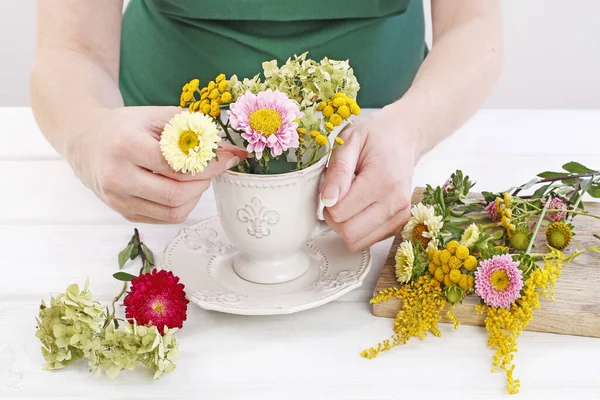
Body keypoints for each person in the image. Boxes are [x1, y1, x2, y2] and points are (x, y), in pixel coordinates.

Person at [31, 1, 502, 251]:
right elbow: (71, 47)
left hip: (387, 163)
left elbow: (473, 22)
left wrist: (410, 129)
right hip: (150, 179)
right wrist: (88, 135)